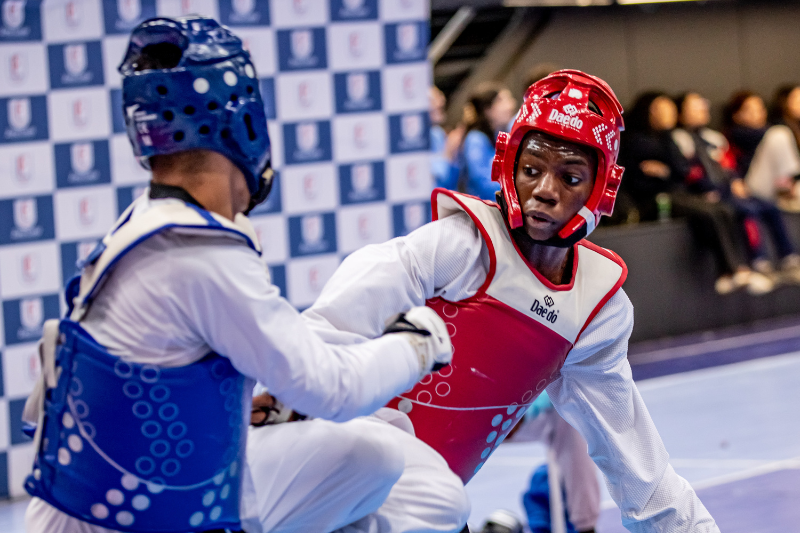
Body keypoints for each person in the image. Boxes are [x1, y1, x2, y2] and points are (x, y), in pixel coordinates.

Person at [21, 16, 455, 533]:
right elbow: (335, 389)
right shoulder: (200, 252)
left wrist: (234, 410)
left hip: (95, 507)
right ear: (246, 124)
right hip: (145, 516)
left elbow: (147, 388)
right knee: (381, 457)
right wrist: (417, 342)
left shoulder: (138, 227)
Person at [301, 70, 720, 532]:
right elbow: (332, 327)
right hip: (332, 480)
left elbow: (642, 472)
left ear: (601, 189)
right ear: (507, 166)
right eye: (532, 170)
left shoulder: (594, 310)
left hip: (422, 506)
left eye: (570, 177)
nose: (545, 190)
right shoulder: (457, 247)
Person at [620, 91, 770, 295]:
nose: (667, 114)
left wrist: (665, 169)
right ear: (648, 111)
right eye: (660, 109)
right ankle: (729, 269)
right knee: (707, 212)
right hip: (653, 200)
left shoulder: (668, 138)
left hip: (677, 194)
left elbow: (679, 169)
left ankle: (738, 269)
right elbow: (639, 179)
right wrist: (665, 173)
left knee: (723, 209)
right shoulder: (634, 140)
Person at [673, 92, 800, 283]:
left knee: (769, 207)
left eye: (702, 105)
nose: (702, 109)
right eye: (695, 107)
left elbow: (728, 166)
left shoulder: (714, 138)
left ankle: (789, 258)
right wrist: (706, 189)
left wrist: (735, 180)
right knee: (747, 209)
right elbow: (689, 172)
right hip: (712, 194)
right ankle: (759, 262)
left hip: (736, 188)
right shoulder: (681, 138)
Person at [724, 90, 800, 207]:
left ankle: (790, 187)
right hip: (750, 185)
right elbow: (726, 165)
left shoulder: (769, 131)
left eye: (760, 109)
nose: (756, 114)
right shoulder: (735, 134)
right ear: (736, 115)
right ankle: (788, 187)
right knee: (778, 134)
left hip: (775, 183)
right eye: (749, 110)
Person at [459, 83, 517, 199]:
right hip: (485, 204)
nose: (510, 106)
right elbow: (481, 182)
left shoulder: (499, 135)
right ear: (488, 110)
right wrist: (515, 189)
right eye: (501, 101)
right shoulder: (475, 139)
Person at [431, 86, 464, 191]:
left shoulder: (437, 134)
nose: (442, 100)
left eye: (440, 96)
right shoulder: (413, 144)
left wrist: (454, 155)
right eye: (434, 99)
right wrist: (448, 152)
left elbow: (451, 183)